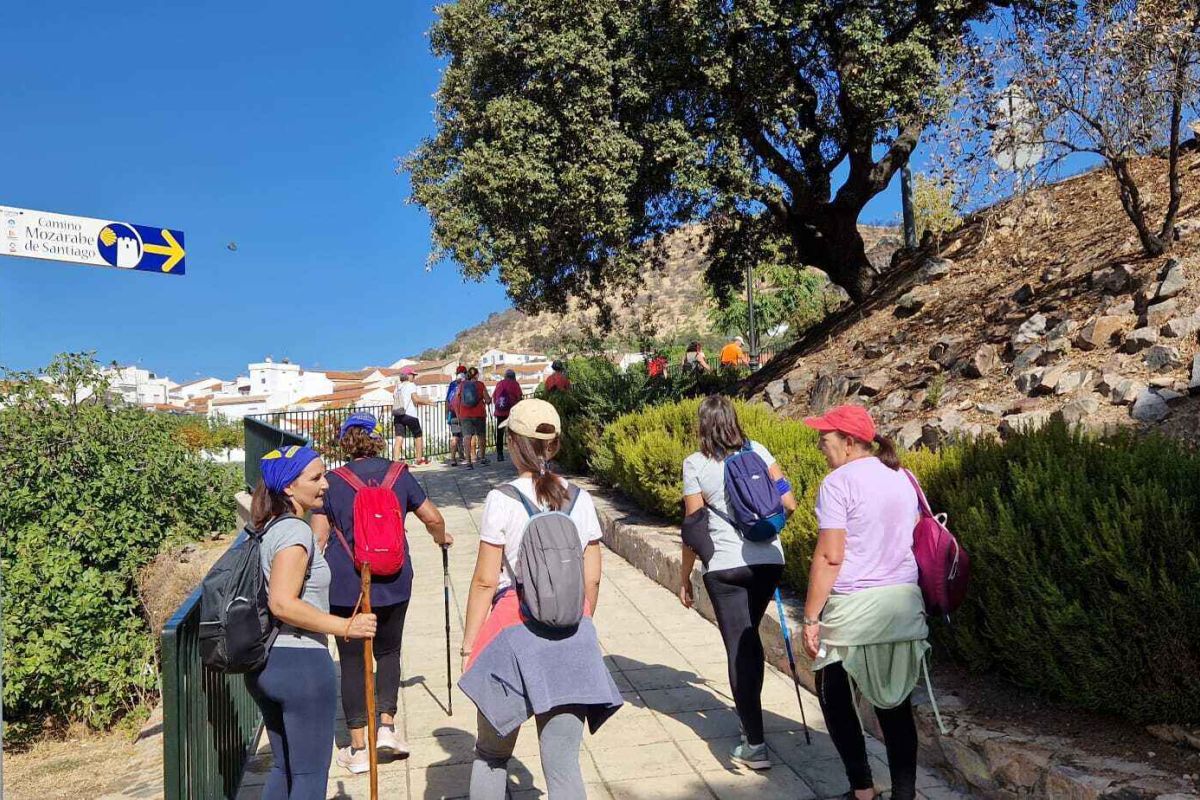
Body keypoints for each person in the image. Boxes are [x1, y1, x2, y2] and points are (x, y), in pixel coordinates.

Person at [459, 399, 622, 799]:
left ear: (514, 443)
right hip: (572, 641)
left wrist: (469, 645)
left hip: (512, 636)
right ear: (555, 444)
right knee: (564, 764)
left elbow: (484, 581)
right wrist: (570, 616)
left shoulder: (503, 499)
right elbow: (593, 578)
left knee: (491, 756)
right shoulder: (579, 499)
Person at [310, 413, 452, 775]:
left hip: (347, 585)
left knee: (353, 661)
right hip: (394, 579)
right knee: (389, 651)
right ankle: (386, 728)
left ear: (345, 442)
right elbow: (432, 518)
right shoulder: (398, 475)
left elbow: (320, 537)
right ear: (377, 439)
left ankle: (358, 748)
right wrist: (442, 539)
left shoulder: (333, 482)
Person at [801, 405, 927, 800]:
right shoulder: (903, 475)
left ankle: (863, 791)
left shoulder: (837, 483)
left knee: (833, 694)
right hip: (904, 603)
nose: (821, 446)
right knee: (896, 701)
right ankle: (903, 795)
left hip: (855, 606)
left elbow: (829, 556)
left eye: (826, 439)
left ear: (850, 442)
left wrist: (810, 617)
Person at [246, 444, 378, 800]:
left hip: (268, 664)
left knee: (285, 768)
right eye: (316, 478)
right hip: (300, 666)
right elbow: (282, 602)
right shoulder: (295, 533)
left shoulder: (267, 528)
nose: (325, 485)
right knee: (308, 777)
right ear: (289, 487)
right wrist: (345, 627)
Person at [678, 395, 796, 770]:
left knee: (738, 646)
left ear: (702, 425)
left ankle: (755, 743)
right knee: (750, 640)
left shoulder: (695, 464)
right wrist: (768, 535)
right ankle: (754, 726)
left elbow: (694, 526)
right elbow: (789, 502)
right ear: (733, 420)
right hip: (768, 562)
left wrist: (685, 576)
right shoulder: (758, 450)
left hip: (725, 568)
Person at [453, 366, 492, 469]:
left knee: (467, 437)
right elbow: (487, 400)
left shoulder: (461, 385)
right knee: (481, 436)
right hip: (479, 414)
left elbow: (456, 401)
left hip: (465, 415)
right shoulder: (480, 385)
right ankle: (483, 458)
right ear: (477, 375)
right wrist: (489, 400)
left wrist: (458, 415)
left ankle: (469, 462)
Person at [392, 367, 431, 465]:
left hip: (398, 414)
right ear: (408, 376)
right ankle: (419, 459)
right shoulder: (411, 385)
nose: (414, 377)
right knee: (418, 435)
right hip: (409, 414)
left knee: (399, 437)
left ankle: (395, 461)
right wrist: (428, 402)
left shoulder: (397, 387)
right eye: (413, 375)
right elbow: (415, 399)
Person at [491, 368, 523, 462]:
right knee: (514, 433)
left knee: (500, 433)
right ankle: (516, 453)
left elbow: (494, 398)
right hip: (512, 412)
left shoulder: (499, 384)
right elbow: (519, 397)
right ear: (514, 377)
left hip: (500, 412)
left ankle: (500, 454)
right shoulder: (515, 384)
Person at [446, 365, 468, 466]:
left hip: (452, 414)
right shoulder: (466, 385)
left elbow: (447, 401)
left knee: (455, 436)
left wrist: (447, 416)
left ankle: (453, 459)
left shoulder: (452, 385)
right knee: (466, 436)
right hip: (463, 414)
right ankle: (467, 457)